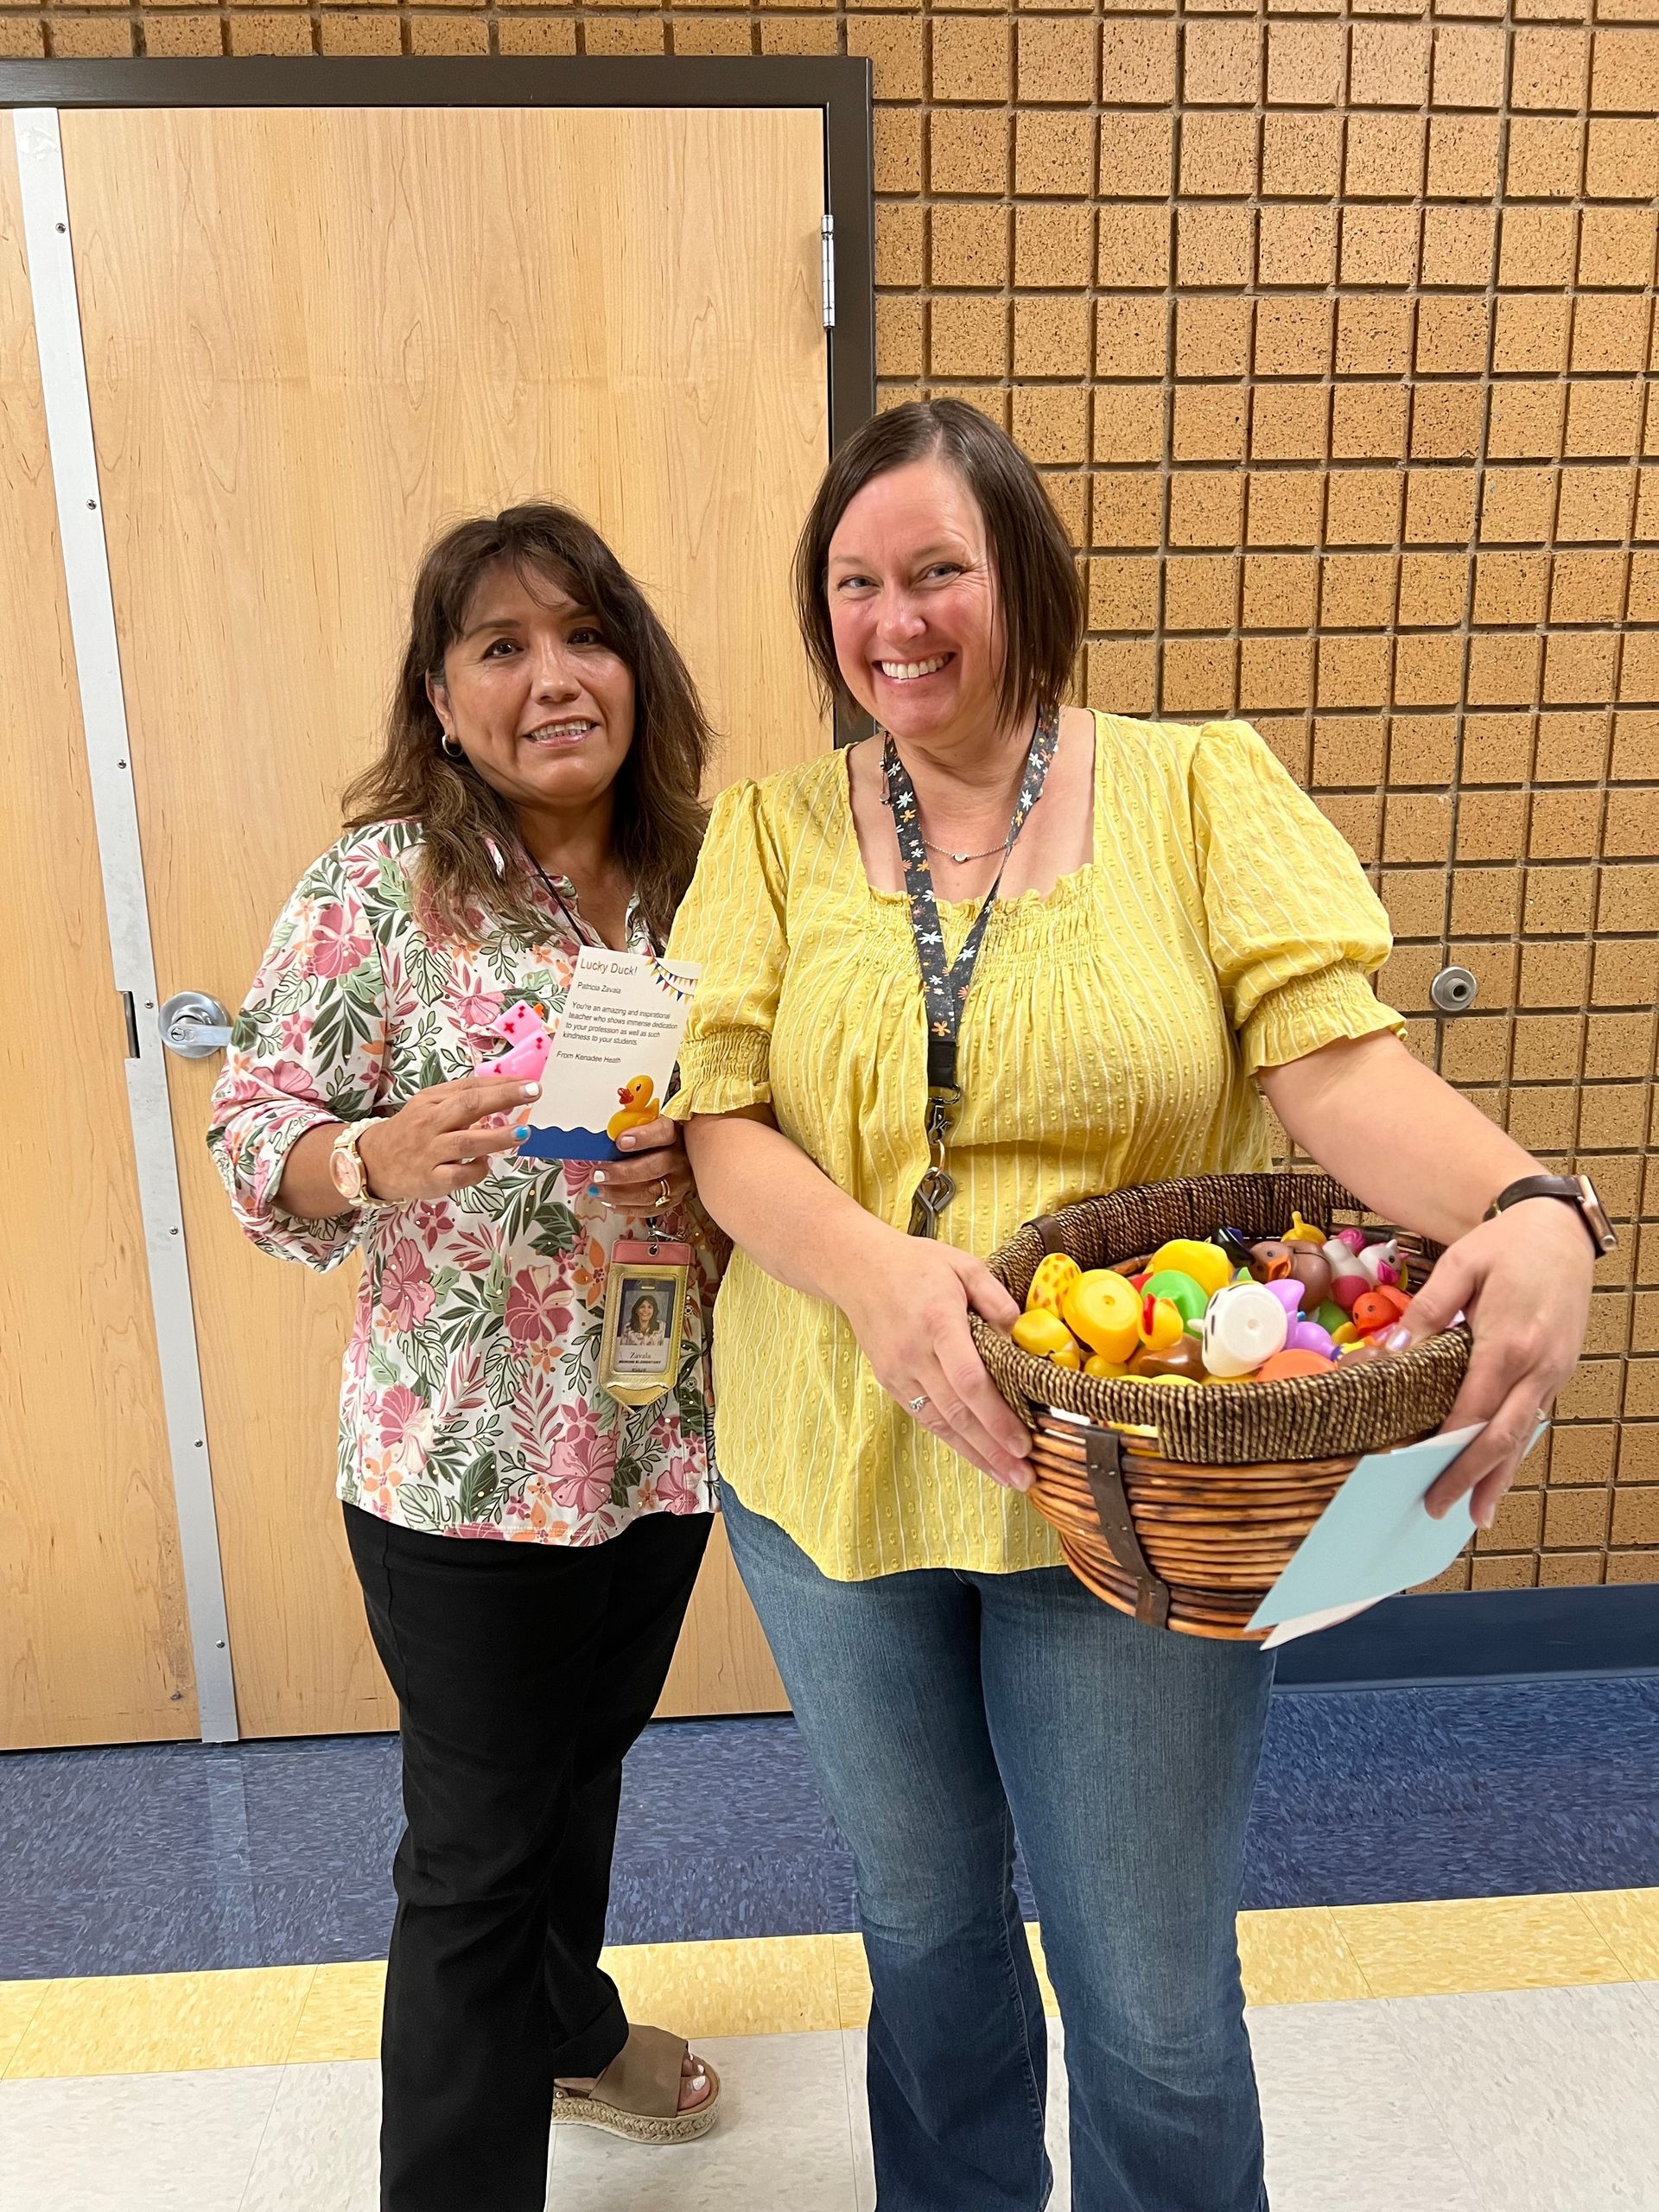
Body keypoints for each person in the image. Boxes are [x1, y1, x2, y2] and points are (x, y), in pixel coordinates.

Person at [664, 400, 1598, 2212]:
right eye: (855, 583)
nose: (896, 620)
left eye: (939, 569)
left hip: (1136, 1475)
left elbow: (1337, 1068)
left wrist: (1524, 1198)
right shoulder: (776, 830)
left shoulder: (1195, 786)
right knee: (926, 1938)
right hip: (831, 1459)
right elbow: (715, 1114)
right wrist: (872, 1276)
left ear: (1026, 574)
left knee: (1152, 1988)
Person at [208, 505, 725, 2212]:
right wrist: (368, 1156)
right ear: (441, 697)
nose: (553, 677)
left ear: (635, 667)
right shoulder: (378, 887)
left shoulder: (719, 875)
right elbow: (253, 1120)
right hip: (461, 1464)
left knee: (580, 1775)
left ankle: (567, 2028)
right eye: (500, 647)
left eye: (584, 635)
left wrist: (708, 1166)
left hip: (658, 1433)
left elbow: (797, 1115)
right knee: (476, 1850)